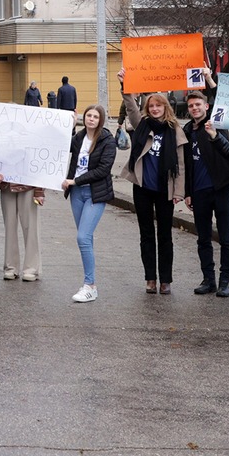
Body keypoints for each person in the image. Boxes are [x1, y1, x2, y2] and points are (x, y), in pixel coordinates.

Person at [179, 89, 229, 296]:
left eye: (198, 104)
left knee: (226, 237)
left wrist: (210, 80)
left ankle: (225, 280)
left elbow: (223, 99)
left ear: (207, 106)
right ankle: (208, 279)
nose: (194, 108)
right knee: (203, 238)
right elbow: (187, 164)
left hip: (221, 188)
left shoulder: (216, 123)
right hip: (199, 192)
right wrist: (187, 192)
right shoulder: (187, 130)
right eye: (191, 106)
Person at [121, 92, 182, 295]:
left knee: (165, 235)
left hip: (165, 189)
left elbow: (180, 163)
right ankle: (150, 279)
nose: (155, 109)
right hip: (143, 187)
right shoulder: (143, 125)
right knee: (146, 234)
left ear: (166, 107)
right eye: (152, 106)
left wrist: (179, 192)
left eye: (159, 105)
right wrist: (125, 89)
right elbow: (130, 108)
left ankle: (166, 280)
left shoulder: (174, 129)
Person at [64, 105, 116, 303]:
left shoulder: (107, 141)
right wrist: (67, 125)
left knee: (82, 237)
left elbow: (103, 170)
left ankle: (90, 285)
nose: (91, 119)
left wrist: (76, 180)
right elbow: (60, 145)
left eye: (95, 116)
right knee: (86, 238)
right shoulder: (79, 138)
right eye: (88, 116)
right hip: (76, 193)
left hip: (95, 194)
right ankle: (90, 284)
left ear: (101, 119)